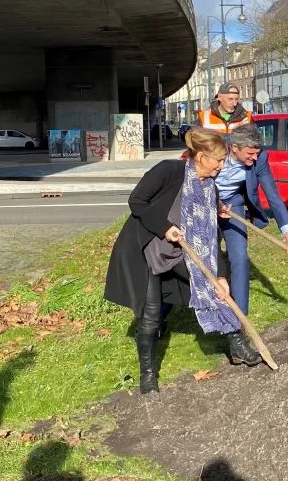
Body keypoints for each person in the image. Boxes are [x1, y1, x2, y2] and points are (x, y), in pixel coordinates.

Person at [104, 128, 259, 395]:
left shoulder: (209, 188)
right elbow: (136, 201)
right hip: (149, 251)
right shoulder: (169, 171)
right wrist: (165, 227)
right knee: (151, 316)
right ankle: (148, 376)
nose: (222, 166)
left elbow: (211, 238)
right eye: (218, 160)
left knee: (217, 289)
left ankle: (237, 345)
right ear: (200, 156)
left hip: (181, 253)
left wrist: (221, 275)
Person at [215, 124, 288, 329]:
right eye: (250, 153)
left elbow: (274, 197)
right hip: (205, 202)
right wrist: (213, 203)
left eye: (257, 153)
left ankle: (241, 321)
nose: (255, 158)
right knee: (208, 258)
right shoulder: (215, 148)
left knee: (240, 257)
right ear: (234, 148)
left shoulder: (260, 158)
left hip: (232, 204)